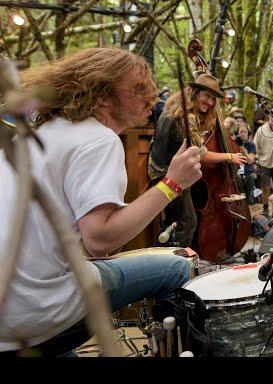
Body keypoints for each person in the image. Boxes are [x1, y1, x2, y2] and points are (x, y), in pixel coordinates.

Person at [0, 48, 202, 355]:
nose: (150, 99)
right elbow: (100, 239)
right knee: (177, 268)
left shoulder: (39, 131)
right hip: (34, 309)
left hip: (9, 309)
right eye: (138, 90)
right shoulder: (98, 139)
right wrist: (172, 184)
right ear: (103, 96)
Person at [148, 73, 247, 247]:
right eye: (207, 96)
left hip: (161, 170)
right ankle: (175, 265)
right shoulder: (186, 117)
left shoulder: (173, 110)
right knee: (187, 221)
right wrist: (230, 156)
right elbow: (200, 152)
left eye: (212, 99)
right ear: (194, 93)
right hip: (168, 174)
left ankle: (167, 258)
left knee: (174, 221)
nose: (210, 103)